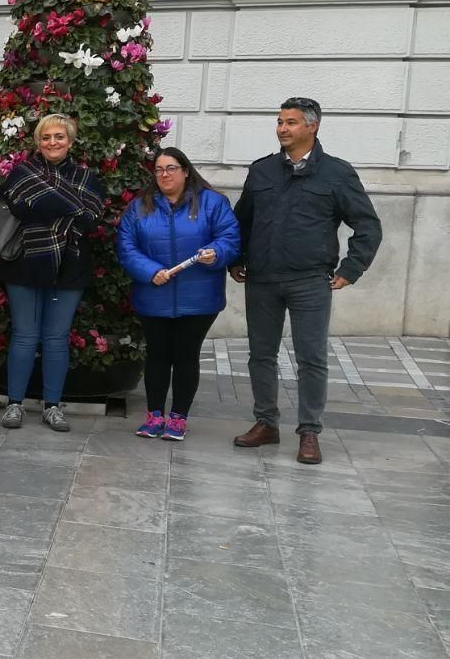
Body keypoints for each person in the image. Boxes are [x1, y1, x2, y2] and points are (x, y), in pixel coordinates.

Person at [229, 97, 381, 465]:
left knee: (311, 359)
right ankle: (266, 423)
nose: (282, 128)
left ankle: (309, 431)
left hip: (310, 281)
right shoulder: (262, 170)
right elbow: (241, 220)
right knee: (260, 356)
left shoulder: (337, 173)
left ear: (313, 126)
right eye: (280, 121)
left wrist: (350, 269)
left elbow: (368, 225)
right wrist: (236, 258)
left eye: (291, 122)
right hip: (263, 278)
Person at [116, 147, 241, 442]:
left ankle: (178, 418)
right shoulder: (140, 207)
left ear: (186, 171)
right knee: (158, 355)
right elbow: (126, 247)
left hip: (199, 298)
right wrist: (149, 271)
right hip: (153, 295)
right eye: (159, 170)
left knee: (186, 356)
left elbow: (230, 238)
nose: (164, 175)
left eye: (171, 168)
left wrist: (218, 253)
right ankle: (154, 415)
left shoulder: (213, 203)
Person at [0, 113, 106, 433]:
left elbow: (91, 218)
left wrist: (46, 201)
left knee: (57, 338)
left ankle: (53, 406)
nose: (52, 142)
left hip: (69, 265)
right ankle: (15, 404)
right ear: (38, 142)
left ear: (70, 142)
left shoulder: (87, 178)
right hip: (24, 263)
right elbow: (17, 207)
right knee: (25, 335)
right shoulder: (21, 174)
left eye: (59, 137)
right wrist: (66, 206)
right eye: (46, 137)